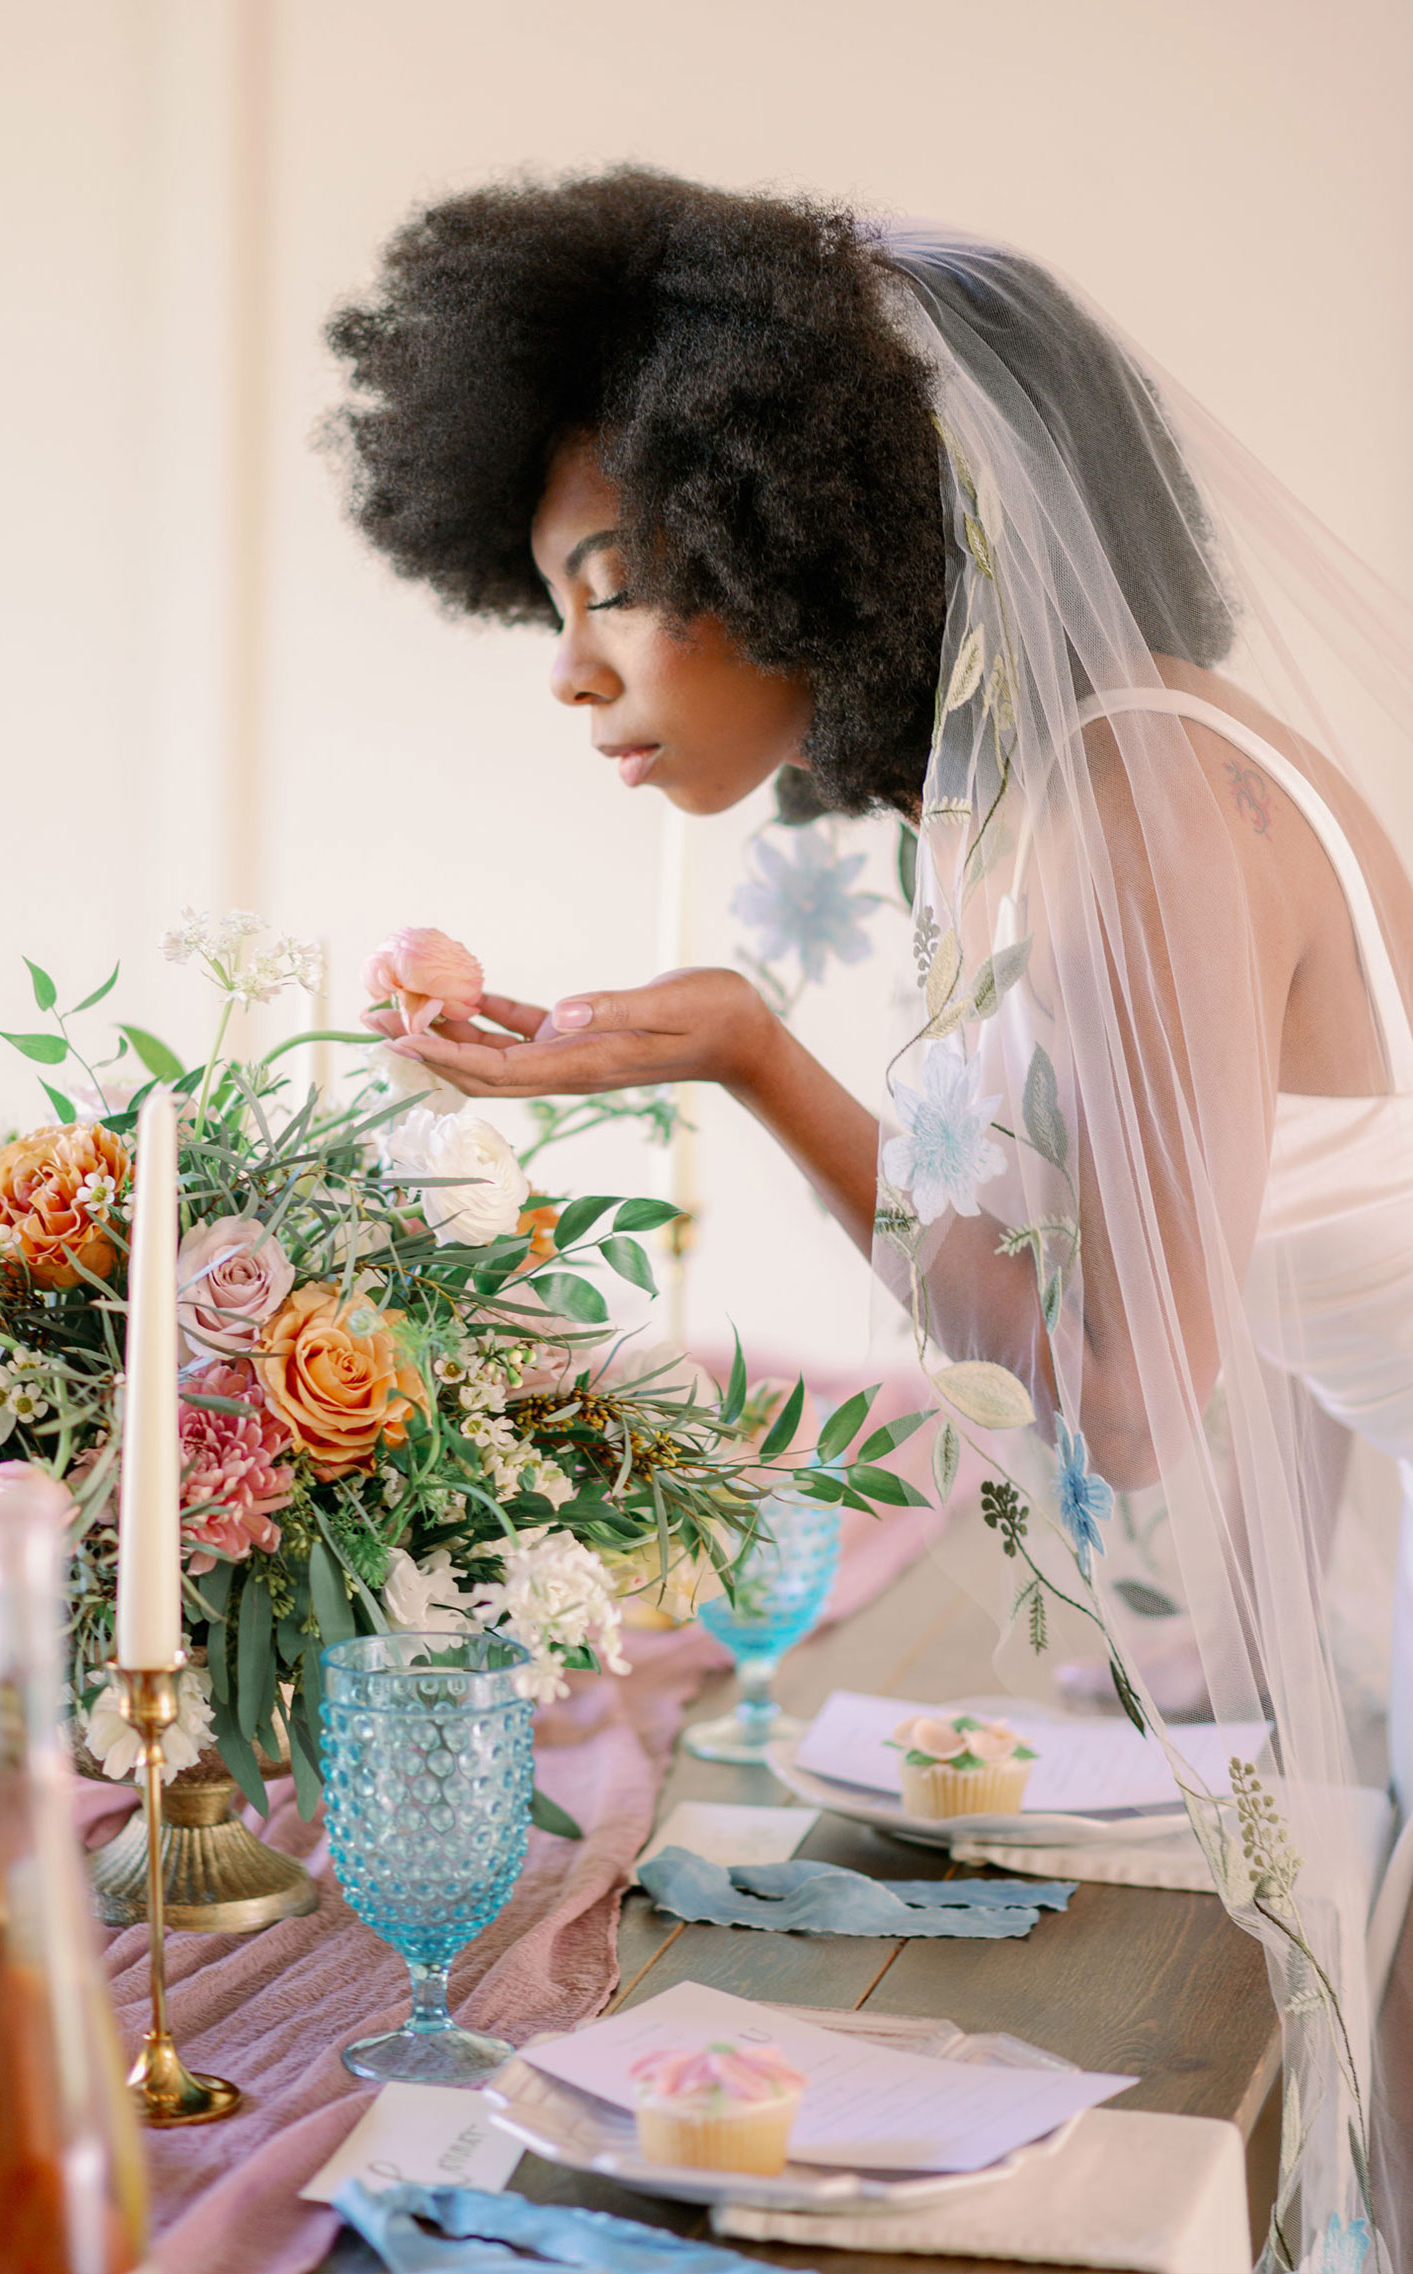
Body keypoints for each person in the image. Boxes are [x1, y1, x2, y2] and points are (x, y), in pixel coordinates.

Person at [325, 170, 1413, 2264]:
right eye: (551, 604)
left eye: (618, 584)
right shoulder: (1073, 786)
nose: (573, 674)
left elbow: (1116, 1406)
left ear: (802, 535)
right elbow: (1176, 1287)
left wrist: (753, 1054)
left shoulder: (1143, 824)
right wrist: (730, 1045)